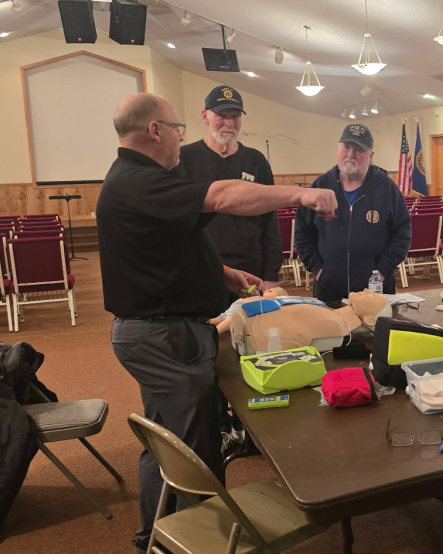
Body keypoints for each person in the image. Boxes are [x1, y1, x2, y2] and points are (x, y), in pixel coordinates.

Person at [96, 92, 337, 552]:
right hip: (164, 335)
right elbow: (223, 195)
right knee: (194, 456)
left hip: (155, 331)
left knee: (167, 444)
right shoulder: (138, 180)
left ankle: (154, 536)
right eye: (177, 127)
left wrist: (221, 273)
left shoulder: (136, 178)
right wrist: (301, 193)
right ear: (155, 131)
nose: (180, 136)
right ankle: (195, 542)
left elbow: (163, 250)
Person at [173, 85, 280, 455]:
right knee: (207, 355)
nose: (228, 122)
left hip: (250, 277)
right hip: (202, 275)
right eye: (221, 115)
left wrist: (271, 275)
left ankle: (251, 428)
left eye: (235, 116)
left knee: (251, 351)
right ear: (205, 116)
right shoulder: (184, 159)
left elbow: (269, 223)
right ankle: (218, 425)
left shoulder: (256, 161)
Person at [295, 123, 411, 302]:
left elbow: (402, 235)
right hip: (328, 289)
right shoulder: (319, 187)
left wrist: (382, 271)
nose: (350, 154)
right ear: (338, 148)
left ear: (370, 155)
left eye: (358, 149)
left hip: (376, 289)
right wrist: (318, 269)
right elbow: (303, 233)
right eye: (346, 147)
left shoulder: (387, 189)